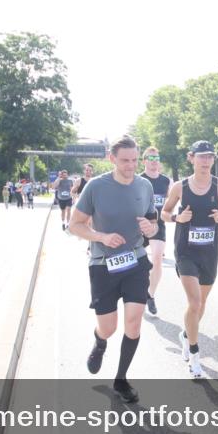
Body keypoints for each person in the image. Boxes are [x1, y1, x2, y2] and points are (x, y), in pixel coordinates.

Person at [67, 136, 158, 404]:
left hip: (135, 260)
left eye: (134, 160)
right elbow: (75, 225)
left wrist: (151, 230)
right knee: (109, 327)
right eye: (124, 161)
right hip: (103, 264)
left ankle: (121, 379)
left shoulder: (145, 185)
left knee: (134, 320)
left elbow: (152, 222)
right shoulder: (96, 187)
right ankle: (100, 341)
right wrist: (101, 237)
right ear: (112, 159)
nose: (130, 166)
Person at [160, 141, 218, 378]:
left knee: (200, 305)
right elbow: (163, 214)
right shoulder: (180, 187)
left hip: (209, 253)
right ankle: (194, 355)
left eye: (210, 157)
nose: (206, 162)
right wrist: (177, 217)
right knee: (194, 303)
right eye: (201, 157)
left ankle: (186, 334)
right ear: (191, 158)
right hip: (185, 252)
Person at [141, 147, 171, 315]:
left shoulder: (166, 181)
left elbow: (172, 201)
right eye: (150, 157)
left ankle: (150, 295)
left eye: (157, 157)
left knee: (157, 259)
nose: (154, 160)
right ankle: (137, 289)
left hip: (158, 225)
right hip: (138, 225)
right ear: (144, 161)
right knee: (139, 263)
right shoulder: (138, 179)